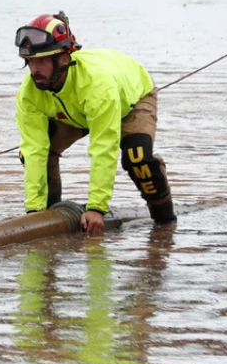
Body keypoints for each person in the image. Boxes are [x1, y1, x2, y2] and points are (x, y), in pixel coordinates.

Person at [14, 13, 175, 234]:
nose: (34, 70)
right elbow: (34, 149)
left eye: (42, 60)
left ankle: (166, 225)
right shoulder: (29, 92)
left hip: (132, 98)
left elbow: (103, 148)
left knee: (137, 157)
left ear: (63, 58)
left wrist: (96, 208)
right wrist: (33, 212)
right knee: (32, 155)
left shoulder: (97, 86)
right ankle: (47, 218)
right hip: (75, 112)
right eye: (30, 61)